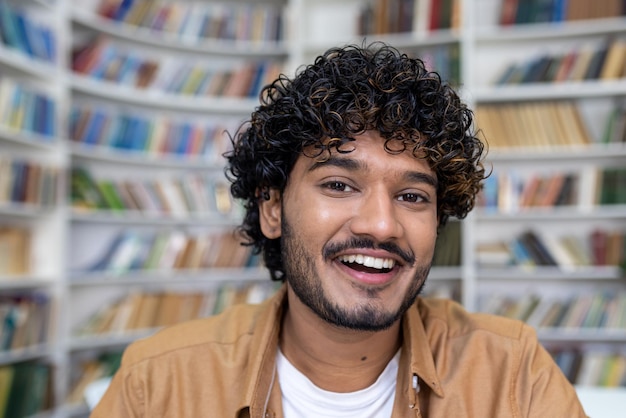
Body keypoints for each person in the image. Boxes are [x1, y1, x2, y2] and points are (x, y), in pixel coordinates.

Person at [91, 42, 588, 417]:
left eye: (412, 196)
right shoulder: (156, 385)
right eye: (338, 185)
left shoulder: (512, 375)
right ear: (272, 208)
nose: (380, 224)